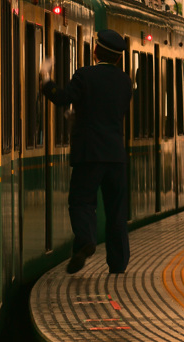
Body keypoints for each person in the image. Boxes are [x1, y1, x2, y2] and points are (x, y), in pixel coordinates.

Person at [40, 28, 133, 275]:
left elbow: (62, 98)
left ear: (95, 52)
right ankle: (118, 263)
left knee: (81, 201)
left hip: (89, 153)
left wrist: (46, 80)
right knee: (116, 210)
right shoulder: (126, 81)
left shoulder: (84, 75)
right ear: (118, 58)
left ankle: (85, 240)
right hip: (115, 155)